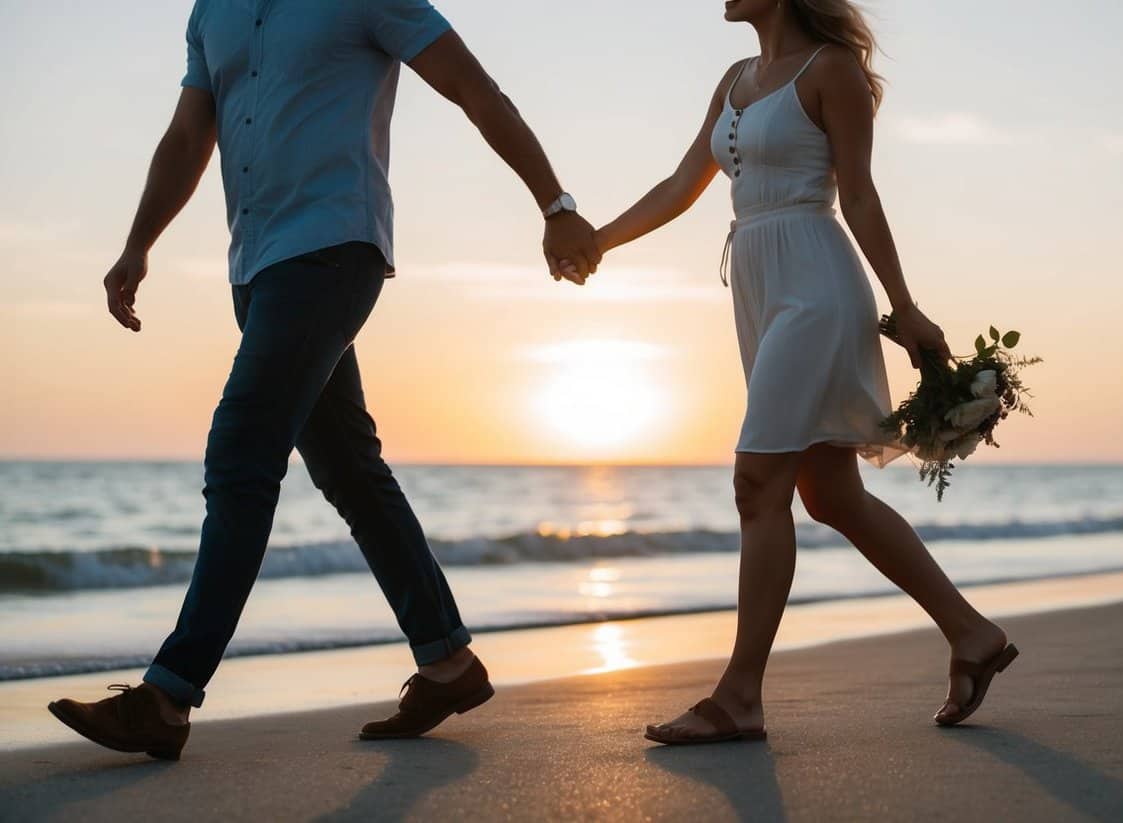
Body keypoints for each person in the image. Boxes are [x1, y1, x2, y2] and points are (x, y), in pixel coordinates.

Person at [47, 0, 600, 760]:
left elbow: (474, 87)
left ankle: (168, 694)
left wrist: (556, 203)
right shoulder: (213, 11)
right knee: (348, 468)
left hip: (336, 247)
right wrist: (137, 243)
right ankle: (448, 661)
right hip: (257, 268)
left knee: (241, 451)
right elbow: (187, 135)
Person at [560, 0, 1017, 744]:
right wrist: (599, 242)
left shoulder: (831, 71)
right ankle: (972, 634)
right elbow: (684, 183)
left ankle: (740, 695)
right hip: (758, 288)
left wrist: (906, 308)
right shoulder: (736, 77)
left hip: (814, 283)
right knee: (830, 493)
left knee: (757, 481)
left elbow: (861, 193)